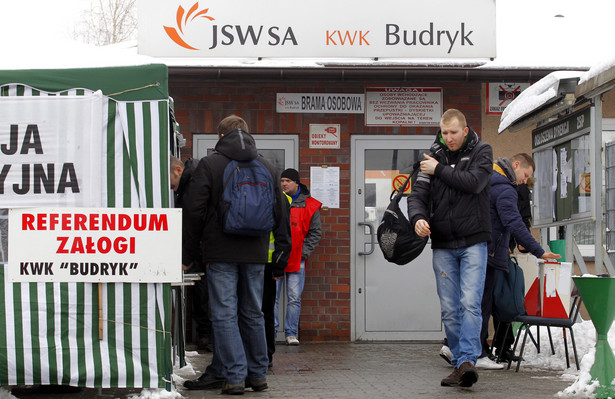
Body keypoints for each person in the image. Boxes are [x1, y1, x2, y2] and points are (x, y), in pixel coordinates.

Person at [182, 115, 291, 394]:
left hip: (220, 251)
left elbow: (194, 211)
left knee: (224, 314)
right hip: (256, 251)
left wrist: (190, 253)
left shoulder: (211, 164)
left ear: (220, 136)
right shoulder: (267, 165)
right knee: (253, 312)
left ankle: (234, 376)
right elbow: (281, 212)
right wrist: (281, 250)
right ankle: (257, 374)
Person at [407, 108, 493, 388]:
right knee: (449, 309)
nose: (448, 138)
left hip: (473, 242)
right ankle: (461, 364)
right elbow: (417, 196)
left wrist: (439, 170)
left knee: (470, 302)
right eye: (444, 133)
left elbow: (474, 183)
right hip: (443, 243)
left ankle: (467, 360)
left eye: (453, 132)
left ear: (465, 130)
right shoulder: (432, 157)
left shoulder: (482, 151)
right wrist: (418, 218)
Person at [480, 156, 560, 365]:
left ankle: (476, 348)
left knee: (480, 302)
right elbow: (514, 221)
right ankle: (480, 351)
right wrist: (539, 251)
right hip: (491, 253)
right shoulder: (506, 188)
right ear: (516, 166)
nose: (525, 181)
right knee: (488, 303)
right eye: (525, 175)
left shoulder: (488, 178)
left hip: (483, 249)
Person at [170, 155, 213, 352]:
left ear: (178, 170)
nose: (170, 187)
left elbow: (193, 223)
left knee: (207, 297)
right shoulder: (193, 181)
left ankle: (207, 338)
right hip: (205, 251)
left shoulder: (192, 186)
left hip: (205, 253)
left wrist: (186, 258)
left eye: (171, 181)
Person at [274, 168, 322, 346]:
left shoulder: (310, 205)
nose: (283, 184)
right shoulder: (276, 201)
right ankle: (271, 332)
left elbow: (315, 232)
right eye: (281, 181)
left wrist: (304, 253)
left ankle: (291, 333)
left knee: (294, 298)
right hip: (277, 257)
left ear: (296, 183)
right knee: (273, 297)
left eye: (287, 181)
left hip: (297, 258)